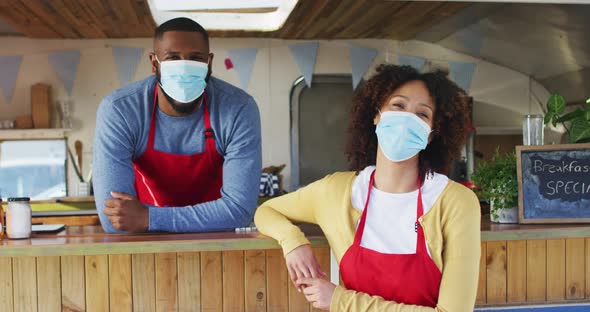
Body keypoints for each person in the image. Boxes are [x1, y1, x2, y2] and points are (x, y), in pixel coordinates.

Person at [254, 64, 480, 311]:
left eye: (422, 114)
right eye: (398, 106)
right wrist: (293, 242)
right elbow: (266, 211)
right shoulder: (336, 192)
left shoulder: (456, 202)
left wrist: (340, 301)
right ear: (376, 115)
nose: (407, 119)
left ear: (431, 135)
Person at [93, 17, 262, 233]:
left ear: (209, 63)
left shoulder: (238, 108)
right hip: (145, 244)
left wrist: (149, 217)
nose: (184, 69)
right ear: (154, 64)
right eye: (173, 58)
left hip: (218, 243)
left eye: (196, 58)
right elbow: (115, 219)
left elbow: (239, 211)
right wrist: (213, 217)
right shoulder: (120, 110)